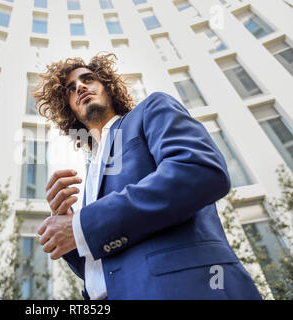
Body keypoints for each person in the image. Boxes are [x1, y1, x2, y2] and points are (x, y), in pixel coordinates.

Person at [34, 53, 261, 300]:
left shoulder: (151, 109)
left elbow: (200, 170)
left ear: (108, 88)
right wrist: (73, 236)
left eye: (88, 79)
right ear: (70, 111)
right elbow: (109, 266)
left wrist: (82, 226)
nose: (80, 87)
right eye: (70, 88)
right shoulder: (90, 173)